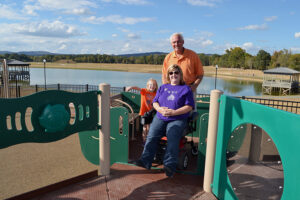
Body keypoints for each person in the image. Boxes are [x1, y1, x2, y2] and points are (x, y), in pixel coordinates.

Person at [134, 64, 194, 177]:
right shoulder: (163, 87)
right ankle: (145, 160)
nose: (173, 75)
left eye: (176, 72)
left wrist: (173, 112)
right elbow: (155, 102)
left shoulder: (186, 89)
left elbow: (189, 107)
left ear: (180, 75)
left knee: (172, 138)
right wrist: (160, 109)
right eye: (171, 73)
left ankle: (169, 166)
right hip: (161, 116)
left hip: (177, 118)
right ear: (168, 75)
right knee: (151, 136)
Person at [126, 78, 158, 143]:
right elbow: (137, 88)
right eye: (150, 85)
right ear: (147, 86)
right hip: (143, 113)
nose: (152, 86)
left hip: (151, 113)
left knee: (149, 127)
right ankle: (144, 140)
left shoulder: (156, 93)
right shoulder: (144, 91)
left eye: (154, 85)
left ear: (156, 86)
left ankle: (148, 140)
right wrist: (131, 87)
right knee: (144, 127)